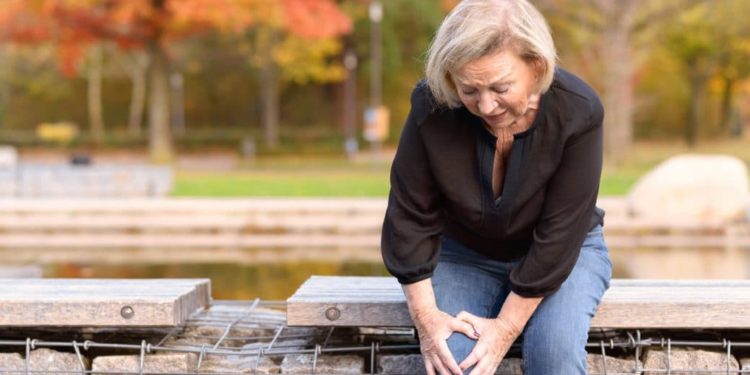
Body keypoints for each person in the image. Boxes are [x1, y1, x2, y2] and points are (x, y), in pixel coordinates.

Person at [380, 0, 612, 374]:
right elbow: (409, 218)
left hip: (565, 250)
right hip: (465, 252)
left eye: (500, 87)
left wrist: (505, 328)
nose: (486, 105)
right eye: (469, 89)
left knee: (554, 355)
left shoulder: (578, 110)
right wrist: (427, 319)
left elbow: (561, 232)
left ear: (536, 66)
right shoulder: (432, 104)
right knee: (452, 360)